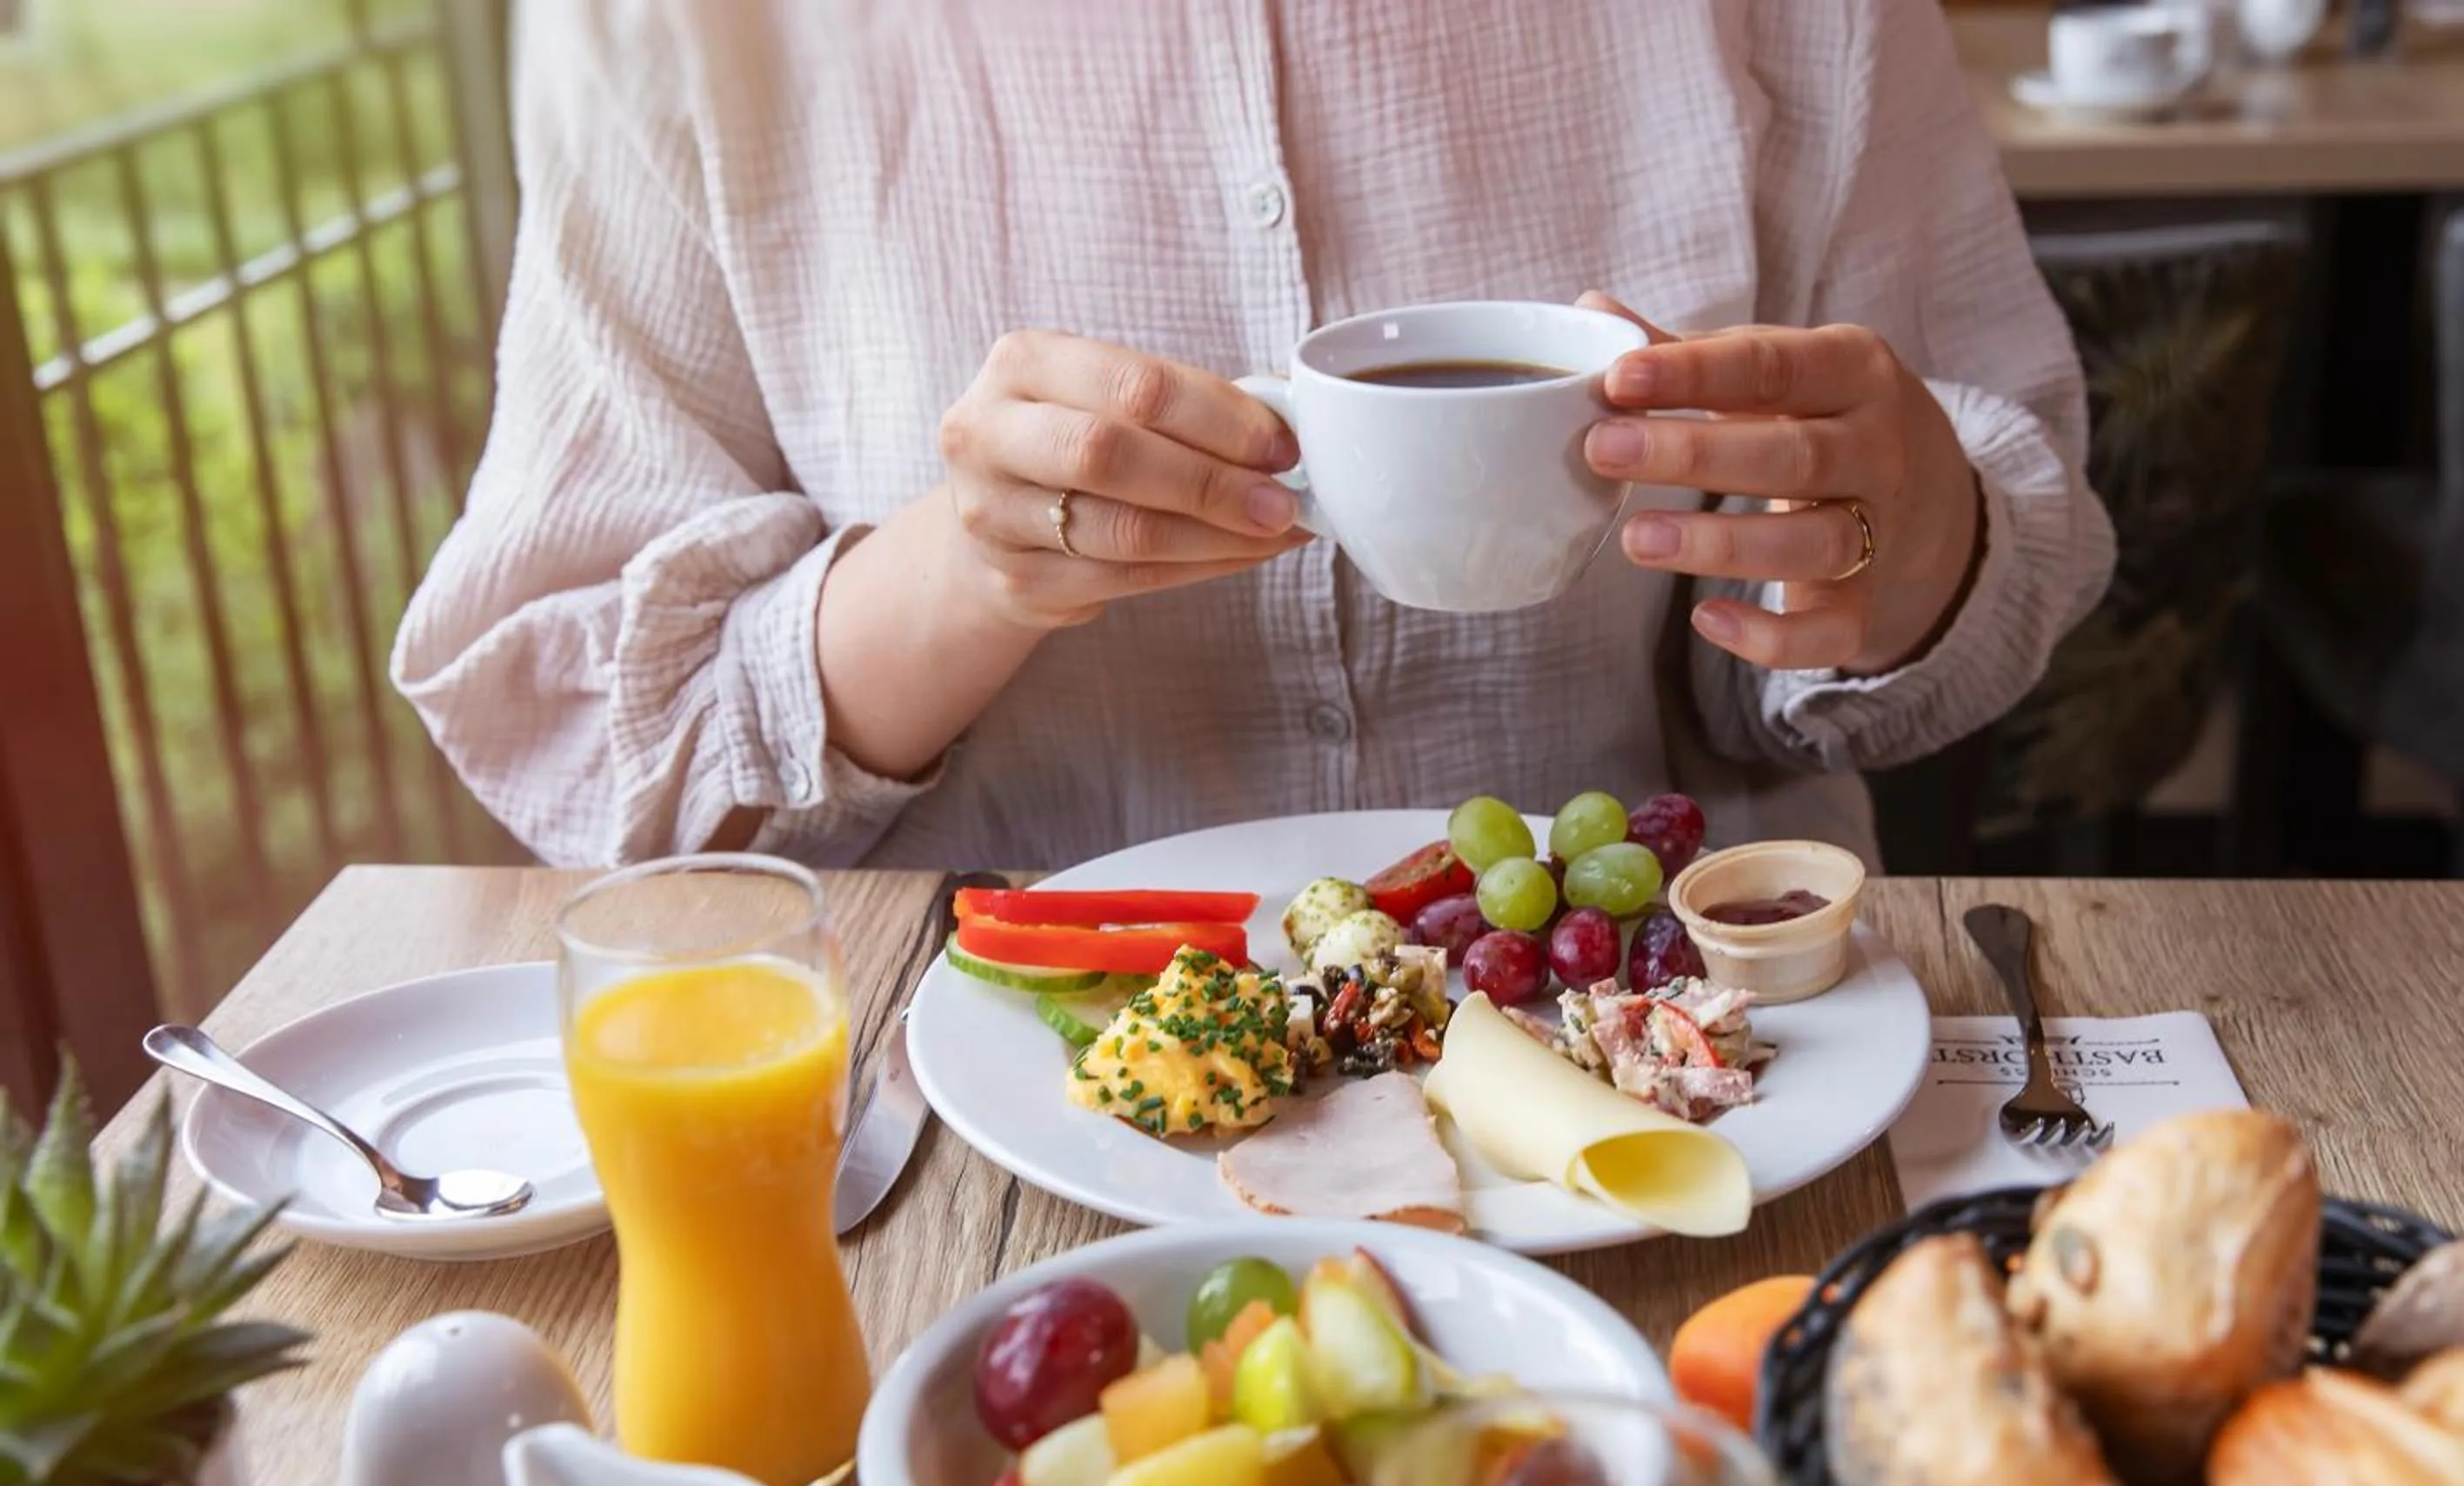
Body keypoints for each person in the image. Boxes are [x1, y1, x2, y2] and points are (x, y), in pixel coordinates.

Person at [396, 0, 2112, 873]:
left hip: (1686, 1077)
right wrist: (970, 572)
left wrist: (1889, 542)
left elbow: (1990, 528)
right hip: (995, 1135)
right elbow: (587, 709)